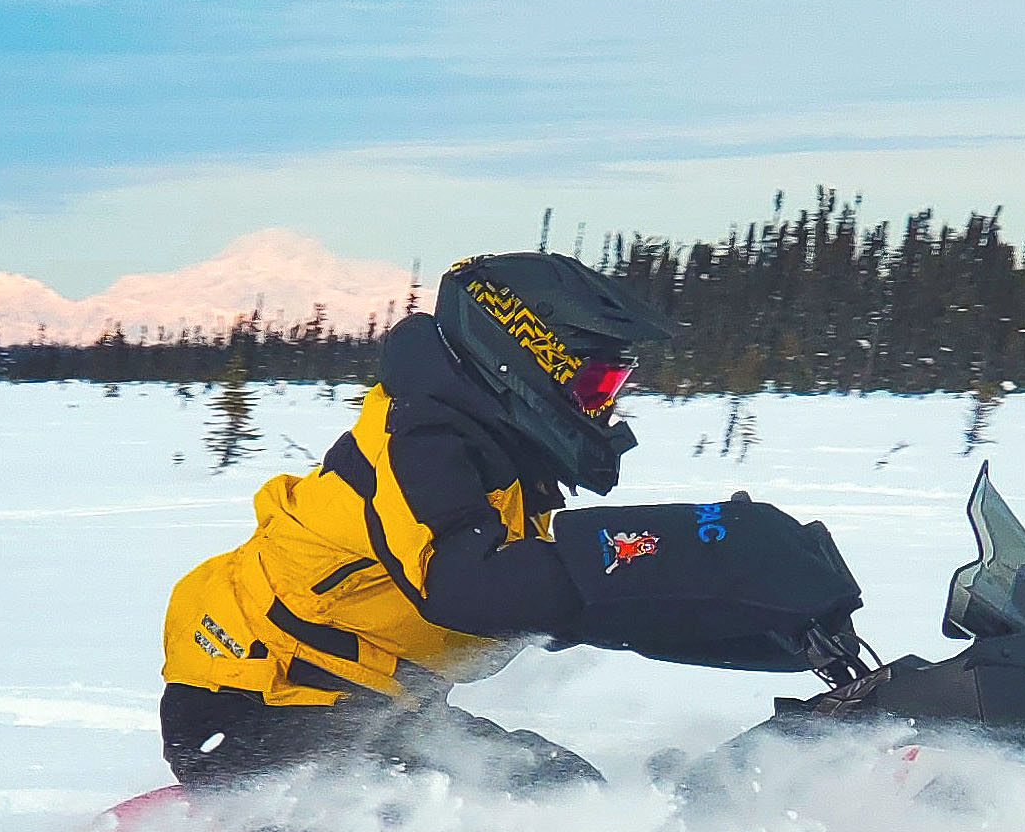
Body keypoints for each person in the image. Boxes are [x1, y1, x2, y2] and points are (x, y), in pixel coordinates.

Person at [158, 251, 863, 791]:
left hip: (360, 712)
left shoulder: (502, 464)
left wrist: (750, 617)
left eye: (613, 388)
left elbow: (556, 606)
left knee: (568, 797)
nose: (604, 406)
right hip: (256, 715)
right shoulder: (421, 444)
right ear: (522, 358)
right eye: (594, 384)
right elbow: (470, 585)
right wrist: (684, 553)